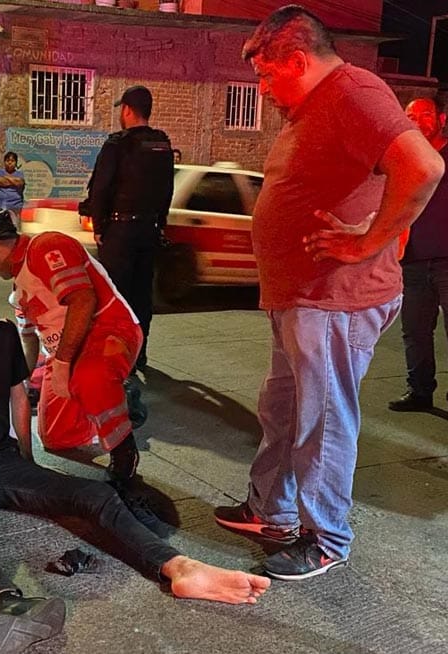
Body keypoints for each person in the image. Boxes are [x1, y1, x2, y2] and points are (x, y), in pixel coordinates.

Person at [0, 266, 270, 653]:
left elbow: (18, 396)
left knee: (97, 494)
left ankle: (179, 567)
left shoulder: (4, 334)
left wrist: (27, 459)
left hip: (6, 458)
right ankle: (9, 602)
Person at [213, 5, 444, 581]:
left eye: (267, 75)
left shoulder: (353, 92)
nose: (262, 89)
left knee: (323, 422)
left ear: (298, 60)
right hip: (302, 295)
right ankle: (272, 513)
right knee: (284, 410)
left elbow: (423, 166)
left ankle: (327, 539)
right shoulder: (314, 104)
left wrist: (369, 240)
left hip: (336, 298)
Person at [0, 208, 144, 484]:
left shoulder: (46, 248)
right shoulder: (19, 292)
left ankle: (123, 448)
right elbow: (29, 340)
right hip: (65, 354)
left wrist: (63, 362)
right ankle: (105, 402)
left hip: (109, 331)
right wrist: (18, 383)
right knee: (57, 436)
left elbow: (83, 299)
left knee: (89, 377)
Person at [83, 85, 174, 372]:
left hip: (119, 232)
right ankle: (139, 353)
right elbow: (167, 190)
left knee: (117, 297)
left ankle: (119, 357)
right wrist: (160, 223)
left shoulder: (116, 145)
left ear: (126, 110)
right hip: (148, 231)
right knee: (142, 296)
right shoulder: (162, 145)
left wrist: (99, 227)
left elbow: (100, 189)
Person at [388, 97, 448, 412]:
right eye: (411, 115)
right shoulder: (407, 159)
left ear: (441, 118)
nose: (418, 120)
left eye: (425, 114)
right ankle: (420, 391)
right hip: (413, 261)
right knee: (414, 331)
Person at [0, 151, 26, 227]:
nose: (10, 163)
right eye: (7, 160)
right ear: (4, 162)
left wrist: (5, 177)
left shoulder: (20, 174)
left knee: (14, 227)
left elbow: (19, 183)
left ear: (16, 163)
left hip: (15, 206)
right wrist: (13, 180)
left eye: (12, 161)